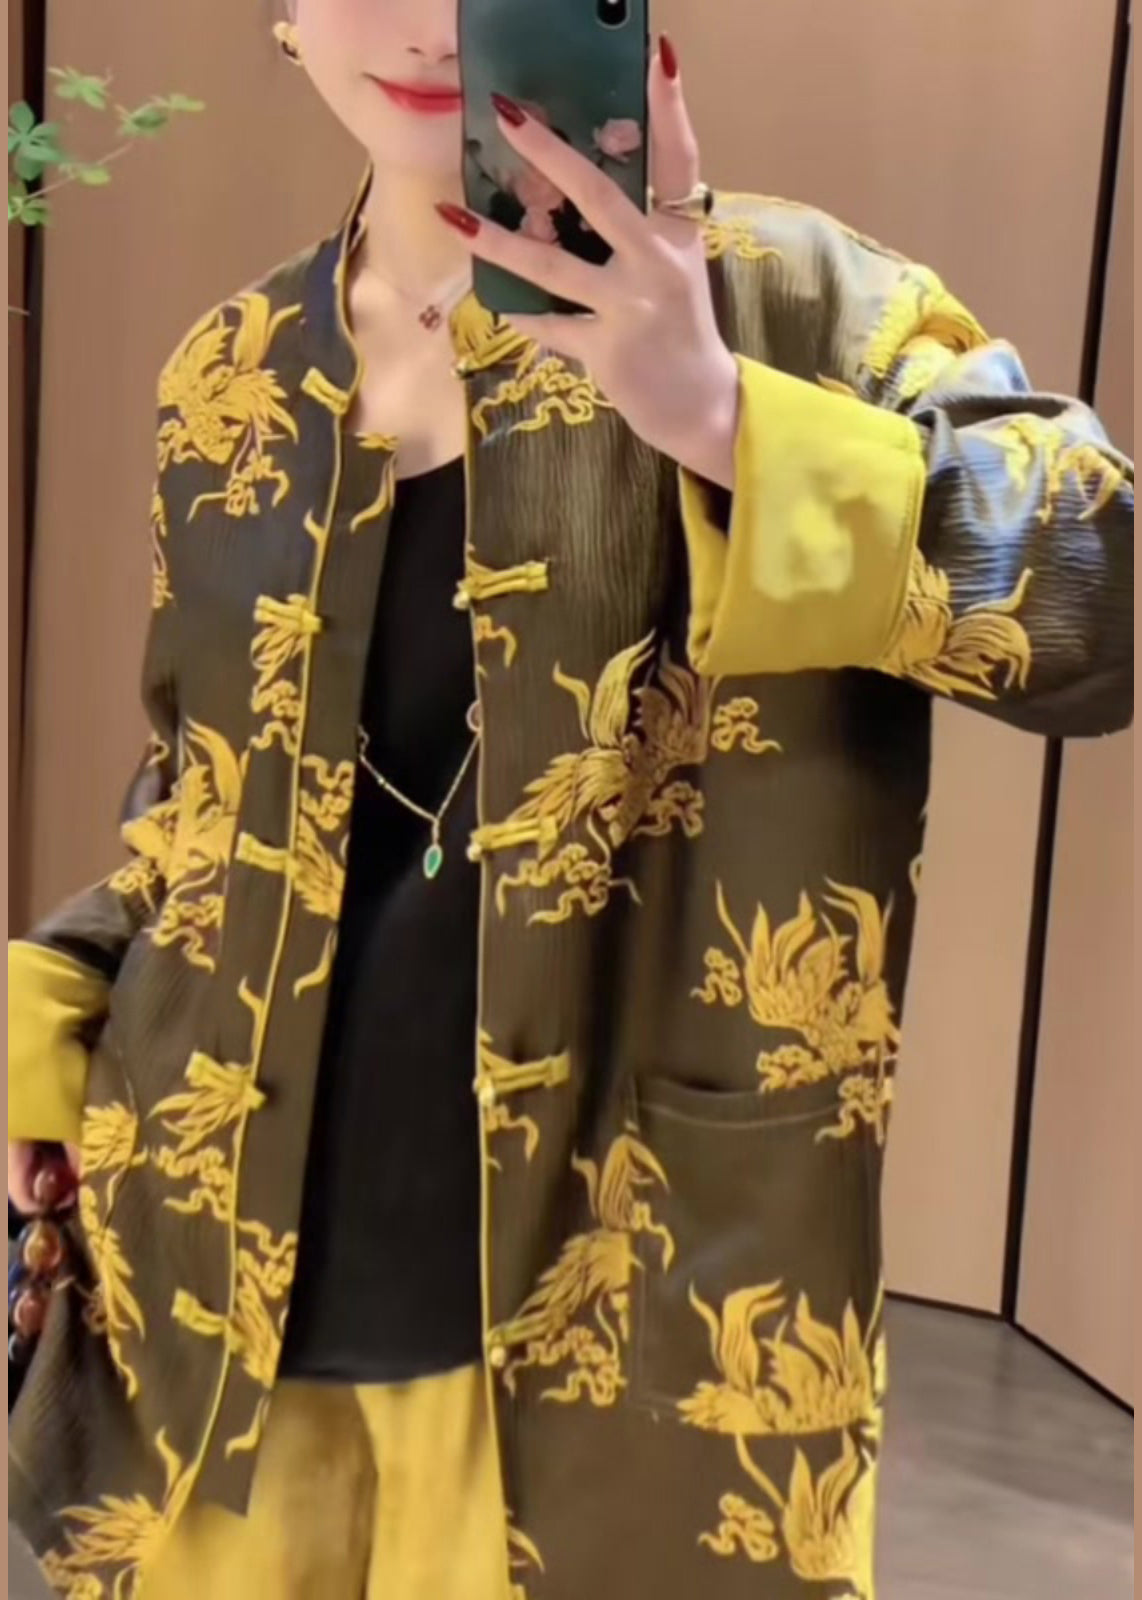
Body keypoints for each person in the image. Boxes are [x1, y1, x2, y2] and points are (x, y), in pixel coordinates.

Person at [7, 2, 1133, 1596]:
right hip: (209, 1327)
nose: (423, 22)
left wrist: (722, 415)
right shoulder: (232, 377)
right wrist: (59, 1019)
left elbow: (1096, 605)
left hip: (625, 1331)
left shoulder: (799, 307)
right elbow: (204, 791)